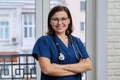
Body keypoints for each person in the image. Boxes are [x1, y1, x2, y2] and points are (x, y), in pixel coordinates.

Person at [32, 5, 92, 80]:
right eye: (55, 19)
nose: (59, 23)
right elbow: (47, 70)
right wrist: (76, 70)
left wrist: (59, 67)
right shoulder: (43, 41)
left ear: (69, 20)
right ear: (50, 22)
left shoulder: (77, 41)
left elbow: (88, 65)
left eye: (63, 19)